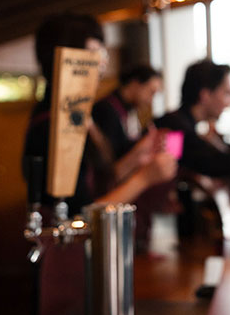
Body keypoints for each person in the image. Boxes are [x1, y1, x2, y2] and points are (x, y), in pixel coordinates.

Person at [21, 14, 176, 214]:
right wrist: (145, 178)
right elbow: (81, 214)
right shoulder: (53, 124)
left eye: (101, 54)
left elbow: (105, 177)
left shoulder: (77, 114)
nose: (101, 64)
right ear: (65, 60)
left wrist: (139, 155)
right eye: (93, 54)